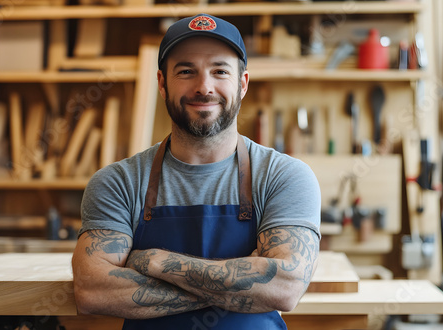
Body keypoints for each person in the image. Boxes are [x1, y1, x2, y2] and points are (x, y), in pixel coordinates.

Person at [72, 13, 321, 330]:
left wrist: (155, 262)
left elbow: (284, 288)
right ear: (162, 84)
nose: (204, 87)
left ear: (242, 84)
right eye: (186, 71)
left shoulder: (283, 176)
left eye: (220, 71)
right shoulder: (118, 182)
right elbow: (92, 291)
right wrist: (244, 281)